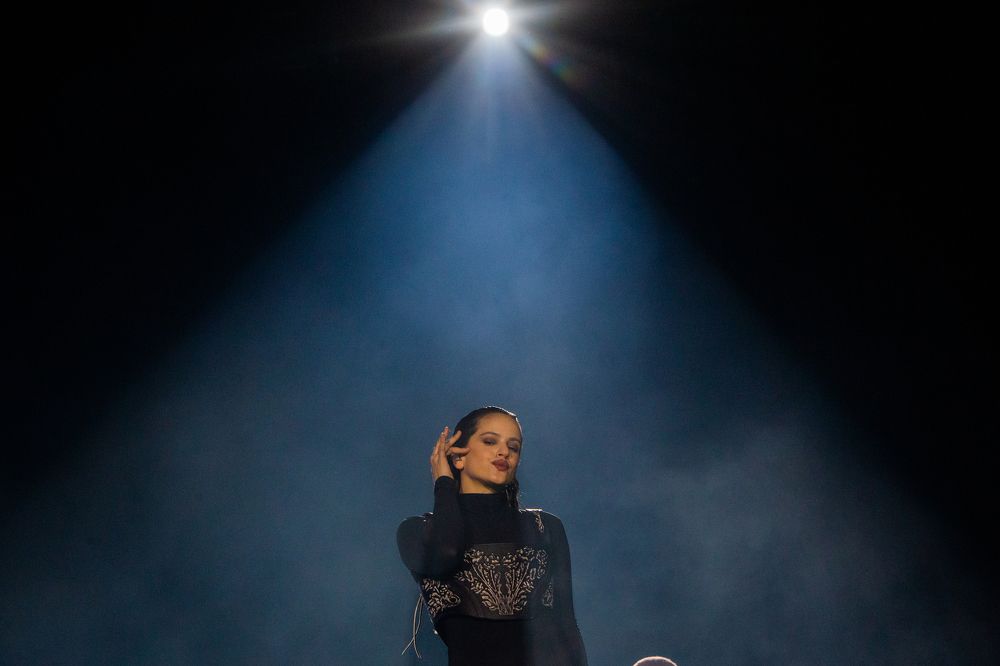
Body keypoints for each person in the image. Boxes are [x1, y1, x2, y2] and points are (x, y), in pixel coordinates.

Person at [397, 406, 588, 665]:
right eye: (490, 441)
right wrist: (443, 482)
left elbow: (567, 628)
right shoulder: (416, 531)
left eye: (514, 447)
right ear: (458, 457)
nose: (504, 452)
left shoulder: (545, 527)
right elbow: (446, 554)